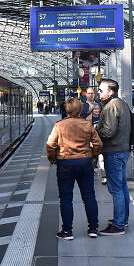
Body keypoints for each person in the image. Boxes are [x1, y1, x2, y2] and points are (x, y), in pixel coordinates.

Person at [46, 98, 102, 240]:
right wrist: (93, 156)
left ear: (67, 109)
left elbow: (50, 144)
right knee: (89, 196)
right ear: (81, 109)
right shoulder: (87, 124)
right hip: (85, 162)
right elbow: (98, 144)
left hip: (65, 163)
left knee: (66, 198)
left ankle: (67, 231)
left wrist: (53, 159)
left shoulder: (60, 125)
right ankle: (93, 229)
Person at [96, 78, 131, 235]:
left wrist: (96, 131)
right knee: (122, 187)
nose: (99, 92)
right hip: (123, 150)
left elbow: (109, 132)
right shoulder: (122, 103)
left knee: (116, 189)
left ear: (110, 91)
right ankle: (123, 219)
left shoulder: (111, 107)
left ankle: (118, 225)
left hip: (114, 151)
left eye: (101, 90)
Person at [87, 105, 106, 185]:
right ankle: (89, 177)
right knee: (93, 161)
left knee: (102, 160)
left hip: (101, 142)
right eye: (95, 109)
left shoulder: (103, 117)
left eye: (98, 109)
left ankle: (104, 178)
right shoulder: (88, 119)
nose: (97, 110)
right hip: (92, 143)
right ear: (91, 110)